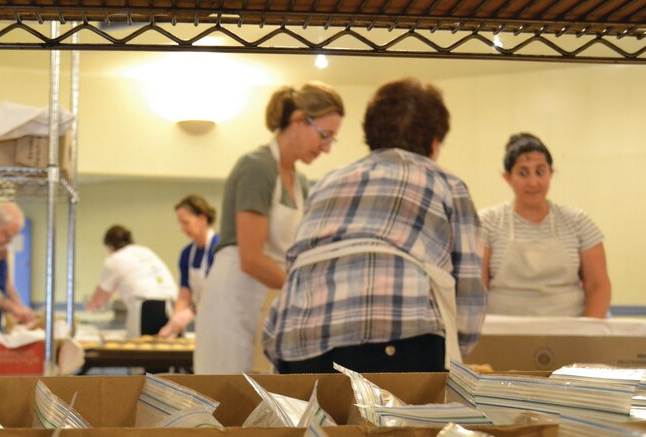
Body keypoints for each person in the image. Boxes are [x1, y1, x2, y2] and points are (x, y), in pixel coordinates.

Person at [263, 78, 487, 374]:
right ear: (434, 142)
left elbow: (297, 261)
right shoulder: (447, 185)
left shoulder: (327, 183)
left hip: (298, 342)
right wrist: (455, 351)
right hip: (401, 341)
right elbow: (469, 296)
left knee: (318, 422)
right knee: (406, 421)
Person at [194, 81, 344, 374]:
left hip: (269, 298)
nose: (326, 148)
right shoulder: (257, 167)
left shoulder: (300, 183)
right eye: (325, 136)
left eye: (332, 140)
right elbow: (251, 258)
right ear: (299, 121)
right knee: (230, 394)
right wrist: (306, 293)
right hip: (235, 296)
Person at [480, 133, 611, 317]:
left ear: (551, 173)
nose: (533, 182)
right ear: (507, 177)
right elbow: (476, 289)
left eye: (540, 171)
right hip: (502, 337)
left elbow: (598, 286)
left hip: (570, 337)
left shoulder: (579, 222)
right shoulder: (487, 223)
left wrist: (587, 336)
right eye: (523, 173)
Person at [86, 225, 178, 338]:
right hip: (174, 306)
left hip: (148, 308)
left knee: (143, 351)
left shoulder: (114, 259)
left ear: (110, 246)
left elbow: (100, 298)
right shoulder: (145, 251)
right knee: (168, 351)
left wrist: (91, 305)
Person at [158, 195, 220, 339]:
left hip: (223, 318)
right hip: (203, 319)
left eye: (186, 223)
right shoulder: (187, 254)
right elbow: (185, 294)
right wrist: (174, 324)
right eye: (181, 224)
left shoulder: (219, 249)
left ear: (203, 219)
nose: (182, 229)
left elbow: (219, 294)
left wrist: (191, 313)